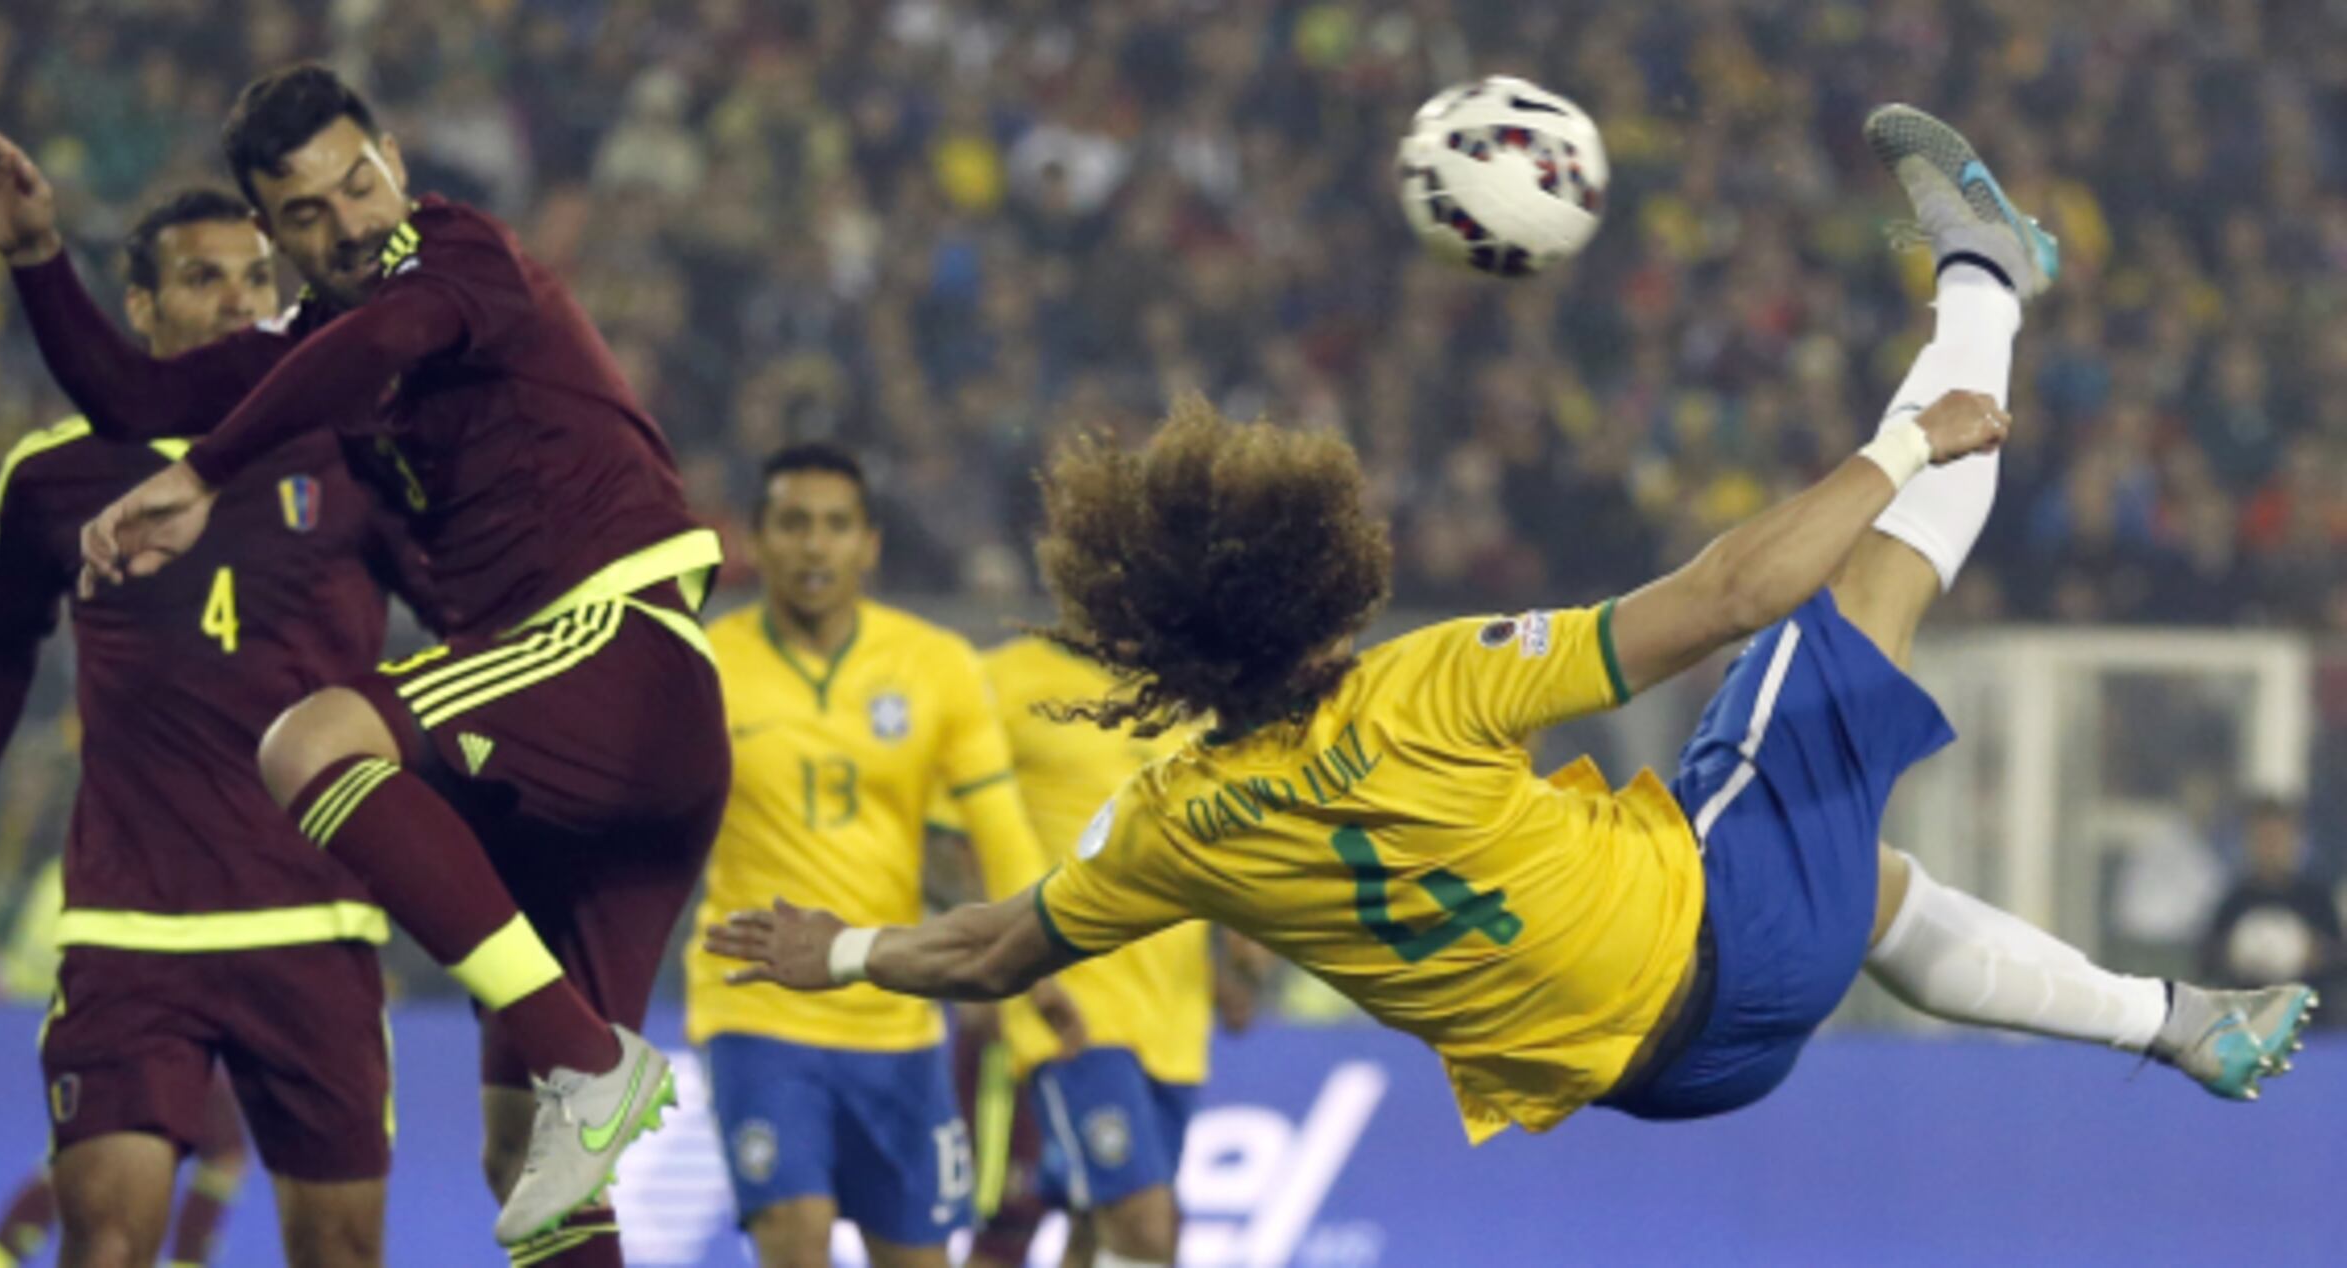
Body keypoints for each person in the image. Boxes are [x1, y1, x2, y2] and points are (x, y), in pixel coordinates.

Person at [706, 106, 2318, 1170]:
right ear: (1314, 579)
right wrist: (1909, 443)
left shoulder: (1175, 830)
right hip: (1721, 941)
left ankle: (2178, 1025)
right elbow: (1728, 595)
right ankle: (1990, 275)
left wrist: (837, 952)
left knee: (1870, 882)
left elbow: (986, 950)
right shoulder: (1427, 685)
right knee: (1855, 603)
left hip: (1665, 1078)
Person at [0, 63, 728, 1253]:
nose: (348, 222)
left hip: (610, 641)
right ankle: (581, 1068)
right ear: (276, 231)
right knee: (536, 1166)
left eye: (359, 183)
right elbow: (132, 391)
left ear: (395, 160)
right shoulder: (309, 348)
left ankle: (589, 1052)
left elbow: (390, 333)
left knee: (308, 741)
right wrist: (40, 255)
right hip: (584, 754)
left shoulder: (457, 255)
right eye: (304, 213)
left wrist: (201, 474)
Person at [0, 189, 400, 1268]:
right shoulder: (53, 473)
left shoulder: (354, 457)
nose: (238, 300)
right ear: (137, 305)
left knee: (342, 1252)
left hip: (316, 921)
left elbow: (468, 626)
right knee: (109, 1243)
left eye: (257, 278)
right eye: (202, 276)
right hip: (130, 929)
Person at [684, 443, 1080, 1268]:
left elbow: (1000, 831)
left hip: (896, 1013)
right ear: (756, 539)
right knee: (792, 1238)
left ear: (870, 544)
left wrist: (1034, 967)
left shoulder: (938, 666)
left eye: (835, 526)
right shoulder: (707, 667)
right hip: (756, 1012)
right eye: (793, 524)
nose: (814, 546)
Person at [958, 634, 1216, 1268]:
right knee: (1134, 1228)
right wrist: (990, 961)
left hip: (1173, 1020)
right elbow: (954, 837)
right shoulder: (1000, 680)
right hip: (1065, 1010)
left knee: (1097, 1229)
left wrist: (1234, 954)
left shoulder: (1201, 696)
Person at [0, 861, 255, 1268]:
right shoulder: (168, 855)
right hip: (151, 1027)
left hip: (93, 1024)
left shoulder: (75, 863)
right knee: (214, 1151)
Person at [2200, 796, 2343, 1011]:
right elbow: (2206, 960)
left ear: (2294, 840)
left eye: (2278, 838)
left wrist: (2317, 955)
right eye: (2264, 838)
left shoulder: (2317, 900)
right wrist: (2232, 955)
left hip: (2312, 1023)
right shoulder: (2235, 900)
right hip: (2246, 1022)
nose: (2272, 847)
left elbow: (2340, 960)